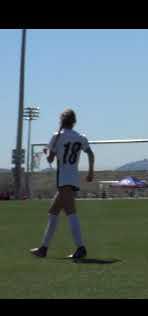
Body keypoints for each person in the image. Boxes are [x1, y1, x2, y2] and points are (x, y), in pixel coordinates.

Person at [30, 109, 95, 259]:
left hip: (64, 180)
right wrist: (91, 172)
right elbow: (90, 153)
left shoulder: (57, 136)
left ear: (61, 121)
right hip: (72, 179)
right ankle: (43, 248)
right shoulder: (80, 137)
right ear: (74, 122)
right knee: (53, 212)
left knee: (71, 213)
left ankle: (81, 247)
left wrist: (48, 151)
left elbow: (50, 160)